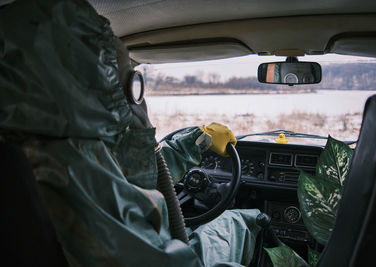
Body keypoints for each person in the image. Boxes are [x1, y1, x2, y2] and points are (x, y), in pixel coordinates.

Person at [0, 0, 261, 266]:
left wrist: (196, 143)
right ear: (97, 80)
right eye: (126, 79)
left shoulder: (41, 143)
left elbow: (125, 174)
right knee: (242, 221)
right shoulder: (72, 168)